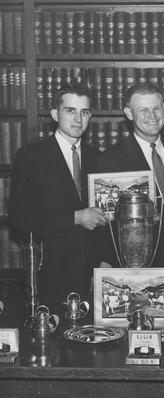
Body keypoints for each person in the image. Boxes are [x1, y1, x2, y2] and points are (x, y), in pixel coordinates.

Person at [9, 83, 106, 306]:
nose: (78, 119)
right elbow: (20, 218)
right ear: (55, 114)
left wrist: (104, 264)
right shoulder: (30, 157)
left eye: (84, 112)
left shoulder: (98, 158)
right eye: (70, 110)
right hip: (50, 276)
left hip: (94, 274)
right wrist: (75, 217)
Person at [96, 83, 164, 289]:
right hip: (132, 267)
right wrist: (105, 262)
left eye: (157, 108)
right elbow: (104, 222)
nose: (152, 115)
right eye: (143, 110)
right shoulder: (109, 160)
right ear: (129, 113)